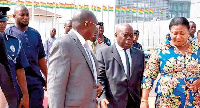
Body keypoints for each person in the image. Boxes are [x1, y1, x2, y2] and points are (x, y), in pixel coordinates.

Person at [140, 17, 200, 108]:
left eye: (182, 33)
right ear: (170, 32)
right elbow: (149, 75)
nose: (178, 37)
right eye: (175, 33)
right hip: (166, 103)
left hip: (193, 102)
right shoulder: (161, 50)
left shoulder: (198, 49)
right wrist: (144, 100)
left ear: (188, 32)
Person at [47, 9, 102, 108]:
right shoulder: (64, 44)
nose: (97, 29)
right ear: (87, 24)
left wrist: (94, 86)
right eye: (96, 25)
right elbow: (56, 86)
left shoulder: (85, 46)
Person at [4, 6, 48, 108]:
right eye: (22, 15)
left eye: (27, 15)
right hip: (17, 85)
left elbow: (41, 58)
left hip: (36, 83)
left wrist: (47, 77)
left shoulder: (35, 34)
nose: (26, 17)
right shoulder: (8, 34)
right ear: (14, 16)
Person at [97, 23, 145, 108]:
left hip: (134, 103)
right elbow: (100, 79)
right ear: (116, 35)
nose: (129, 38)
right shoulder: (104, 53)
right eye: (125, 35)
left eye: (131, 35)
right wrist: (102, 97)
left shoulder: (139, 54)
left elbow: (143, 79)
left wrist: (144, 99)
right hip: (112, 103)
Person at [0, 7, 29, 108]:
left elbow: (20, 71)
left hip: (9, 94)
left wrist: (25, 95)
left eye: (4, 21)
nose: (2, 24)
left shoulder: (15, 42)